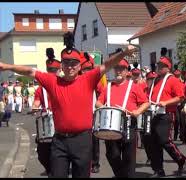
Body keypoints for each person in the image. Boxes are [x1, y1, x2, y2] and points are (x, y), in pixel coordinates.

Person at [0, 31, 137, 178]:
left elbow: (107, 65)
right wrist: (6, 66)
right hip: (60, 141)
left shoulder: (88, 79)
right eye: (66, 63)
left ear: (79, 66)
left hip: (82, 141)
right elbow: (30, 71)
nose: (70, 67)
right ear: (61, 66)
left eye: (74, 63)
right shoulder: (52, 81)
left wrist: (123, 53)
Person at [96, 58, 150, 178]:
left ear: (127, 72)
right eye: (116, 68)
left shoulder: (134, 86)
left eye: (121, 69)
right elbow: (98, 103)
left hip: (129, 124)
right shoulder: (108, 86)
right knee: (111, 154)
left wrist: (137, 111)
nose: (118, 71)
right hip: (111, 124)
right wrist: (106, 107)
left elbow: (146, 103)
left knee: (128, 157)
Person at [148, 56, 186, 177]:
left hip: (166, 114)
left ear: (168, 67)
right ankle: (158, 170)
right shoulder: (155, 80)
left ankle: (181, 159)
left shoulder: (173, 80)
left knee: (165, 140)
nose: (158, 67)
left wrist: (165, 102)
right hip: (154, 114)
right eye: (158, 65)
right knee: (153, 143)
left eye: (161, 66)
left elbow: (180, 97)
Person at [31, 49, 62, 176]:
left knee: (59, 153)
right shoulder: (40, 89)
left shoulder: (64, 85)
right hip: (46, 124)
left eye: (54, 71)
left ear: (59, 71)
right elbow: (36, 103)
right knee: (42, 154)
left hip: (61, 124)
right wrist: (34, 107)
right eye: (50, 71)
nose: (52, 74)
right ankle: (50, 169)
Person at [79, 51, 105, 174]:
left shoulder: (96, 81)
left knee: (94, 140)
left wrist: (99, 104)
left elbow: (103, 93)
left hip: (93, 113)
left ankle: (95, 163)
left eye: (89, 69)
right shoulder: (77, 80)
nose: (87, 71)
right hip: (80, 114)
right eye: (85, 69)